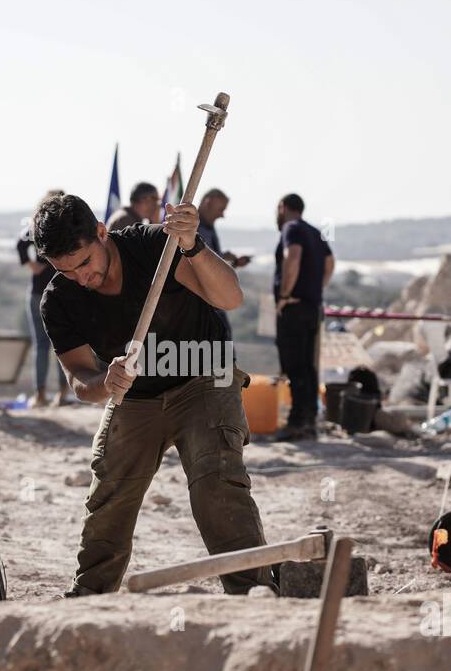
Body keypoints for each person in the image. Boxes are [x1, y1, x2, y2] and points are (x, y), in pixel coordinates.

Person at [33, 193, 274, 597]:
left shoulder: (152, 248)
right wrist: (104, 385)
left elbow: (230, 298)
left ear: (100, 232)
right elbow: (79, 381)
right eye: (66, 271)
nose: (81, 279)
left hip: (204, 376)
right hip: (135, 397)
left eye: (85, 264)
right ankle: (90, 597)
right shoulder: (59, 300)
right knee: (111, 493)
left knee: (215, 481)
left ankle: (253, 592)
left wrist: (191, 245)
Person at [273, 193, 334, 442]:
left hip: (295, 307)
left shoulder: (292, 228)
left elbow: (293, 256)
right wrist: (317, 288)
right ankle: (308, 421)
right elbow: (330, 262)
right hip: (311, 307)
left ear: (283, 207)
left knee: (295, 364)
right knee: (308, 366)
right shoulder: (314, 231)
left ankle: (298, 422)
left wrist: (286, 294)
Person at [16, 189, 71, 407]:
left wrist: (32, 265)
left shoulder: (38, 224)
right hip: (49, 292)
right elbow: (21, 243)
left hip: (51, 292)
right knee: (57, 344)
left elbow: (21, 243)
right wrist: (32, 265)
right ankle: (55, 394)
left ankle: (51, 394)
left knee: (49, 345)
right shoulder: (48, 225)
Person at [196, 188, 251, 345]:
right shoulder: (193, 229)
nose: (222, 215)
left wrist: (230, 261)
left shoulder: (207, 228)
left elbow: (209, 258)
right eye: (221, 209)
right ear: (208, 202)